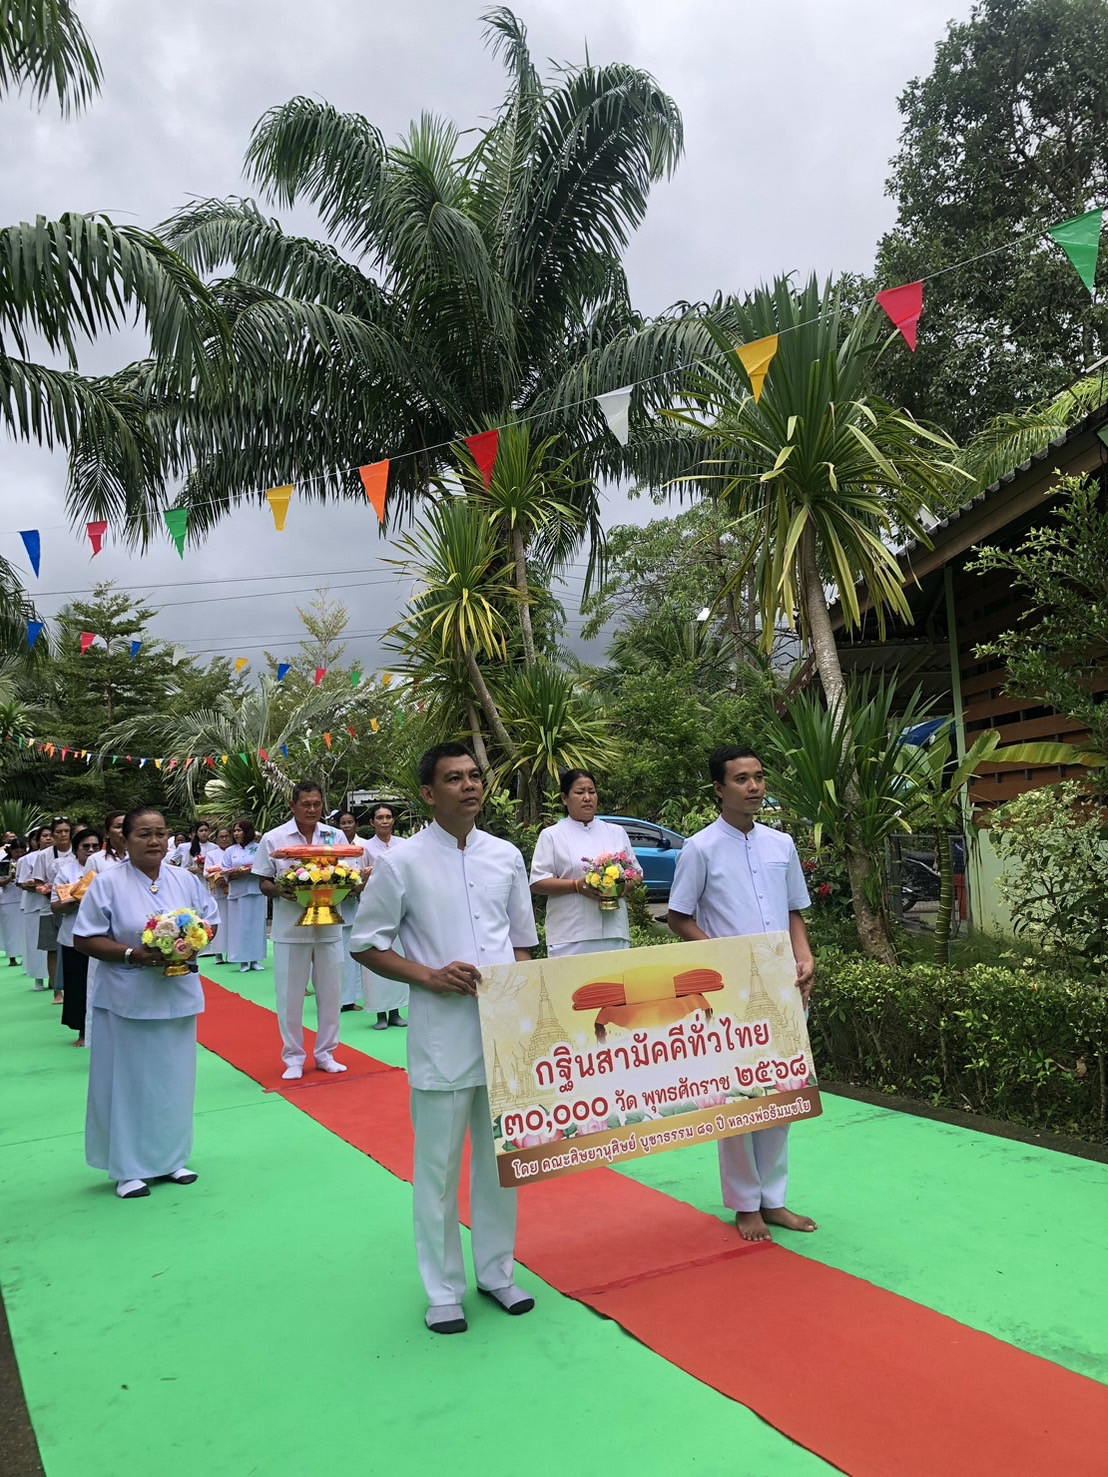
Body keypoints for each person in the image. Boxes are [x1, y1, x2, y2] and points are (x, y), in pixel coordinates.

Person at [351, 743, 538, 1336]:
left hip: (503, 1034)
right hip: (441, 1034)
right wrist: (430, 976)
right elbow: (367, 943)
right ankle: (442, 1290)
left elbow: (524, 943)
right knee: (436, 1167)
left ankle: (497, 1272)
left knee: (501, 1161)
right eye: (453, 778)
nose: (468, 785)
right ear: (429, 794)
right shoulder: (402, 862)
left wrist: (525, 1013)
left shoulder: (506, 856)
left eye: (474, 776)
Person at [667, 744, 817, 1245]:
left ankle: (773, 1200)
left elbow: (795, 909)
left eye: (758, 777)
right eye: (741, 779)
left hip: (782, 985)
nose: (753, 787)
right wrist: (722, 961)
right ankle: (743, 1203)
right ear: (719, 789)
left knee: (782, 1091)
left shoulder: (782, 844)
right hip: (728, 990)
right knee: (736, 1096)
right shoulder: (700, 848)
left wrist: (805, 956)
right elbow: (678, 916)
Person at [74, 807, 219, 1199]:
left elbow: (211, 920)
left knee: (174, 1080)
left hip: (176, 993)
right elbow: (84, 938)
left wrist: (193, 942)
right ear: (124, 839)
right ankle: (128, 1168)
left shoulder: (185, 880)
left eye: (159, 833)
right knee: (128, 1082)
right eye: (143, 834)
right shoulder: (106, 883)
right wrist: (131, 954)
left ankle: (171, 1158)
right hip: (127, 997)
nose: (153, 841)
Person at [252, 782, 346, 1080]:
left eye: (317, 804)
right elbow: (262, 881)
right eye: (305, 804)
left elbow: (350, 874)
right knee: (290, 995)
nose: (311, 809)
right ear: (292, 806)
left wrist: (346, 887)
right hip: (290, 928)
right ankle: (293, 1057)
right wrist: (282, 890)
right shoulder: (274, 838)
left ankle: (326, 1053)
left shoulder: (335, 836)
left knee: (331, 993)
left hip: (328, 924)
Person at [529, 770, 635, 957]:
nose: (587, 797)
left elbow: (636, 873)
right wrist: (576, 886)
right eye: (580, 792)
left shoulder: (616, 832)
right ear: (564, 798)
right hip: (569, 936)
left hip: (614, 932)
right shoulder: (552, 835)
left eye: (592, 792)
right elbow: (538, 882)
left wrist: (622, 887)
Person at [52, 826, 102, 1046]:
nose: (90, 850)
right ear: (76, 849)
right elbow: (55, 905)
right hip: (74, 935)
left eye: (95, 846)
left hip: (102, 934)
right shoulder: (66, 872)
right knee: (77, 984)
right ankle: (82, 1031)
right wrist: (71, 901)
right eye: (85, 846)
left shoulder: (106, 868)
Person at [362, 803, 409, 1029]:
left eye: (388, 817)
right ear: (372, 822)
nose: (384, 821)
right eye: (379, 817)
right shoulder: (365, 848)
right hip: (374, 907)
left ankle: (396, 1011)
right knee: (377, 957)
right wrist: (366, 875)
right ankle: (380, 1014)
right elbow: (356, 880)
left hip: (399, 907)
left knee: (398, 956)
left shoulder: (404, 845)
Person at [333, 811, 372, 1013]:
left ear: (356, 824)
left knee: (355, 954)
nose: (346, 826)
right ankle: (340, 998)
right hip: (336, 905)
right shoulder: (332, 846)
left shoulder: (363, 846)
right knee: (338, 955)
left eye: (350, 822)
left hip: (358, 904)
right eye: (343, 823)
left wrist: (357, 887)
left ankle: (355, 997)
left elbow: (367, 872)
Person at [34, 817, 73, 1003]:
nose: (63, 835)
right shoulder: (44, 855)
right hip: (50, 907)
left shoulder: (78, 851)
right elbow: (38, 882)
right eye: (59, 832)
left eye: (66, 831)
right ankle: (57, 991)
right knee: (52, 949)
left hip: (75, 907)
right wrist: (50, 891)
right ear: (53, 834)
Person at [222, 819, 266, 972]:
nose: (236, 834)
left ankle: (255, 959)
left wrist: (249, 871)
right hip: (237, 893)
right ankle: (242, 961)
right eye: (234, 831)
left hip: (255, 891)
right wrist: (237, 873)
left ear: (247, 832)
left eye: (239, 830)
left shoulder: (258, 848)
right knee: (239, 927)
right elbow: (225, 871)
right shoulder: (230, 851)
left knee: (256, 926)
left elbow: (264, 868)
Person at [17, 825, 52, 991]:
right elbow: (22, 883)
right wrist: (37, 885)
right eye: (44, 835)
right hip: (34, 905)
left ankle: (55, 979)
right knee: (36, 945)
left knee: (54, 946)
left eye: (51, 835)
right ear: (37, 840)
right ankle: (38, 978)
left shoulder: (66, 856)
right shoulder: (27, 859)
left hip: (56, 905)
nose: (48, 838)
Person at [0, 834, 28, 967]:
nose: (19, 854)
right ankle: (12, 957)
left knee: (23, 930)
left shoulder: (27, 861)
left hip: (23, 898)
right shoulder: (4, 863)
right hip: (8, 899)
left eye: (22, 852)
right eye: (17, 851)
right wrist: (8, 879)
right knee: (10, 930)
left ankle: (25, 956)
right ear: (11, 851)